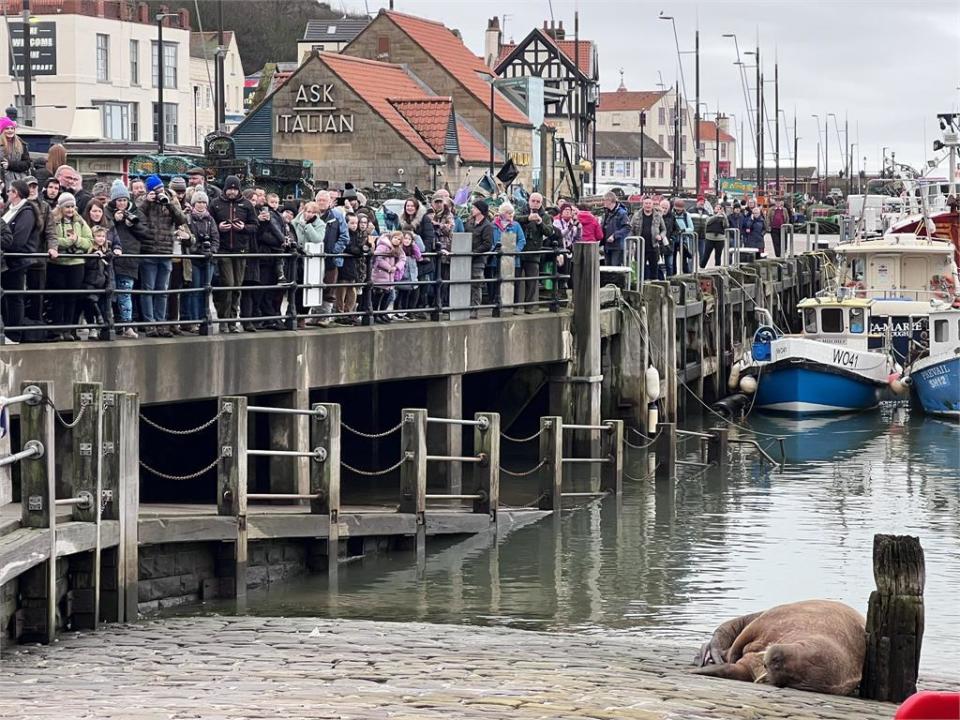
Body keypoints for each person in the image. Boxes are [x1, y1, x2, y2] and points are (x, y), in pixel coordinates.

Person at [136, 174, 188, 337]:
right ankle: (150, 324)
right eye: (155, 190)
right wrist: (147, 202)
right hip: (149, 251)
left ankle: (162, 323)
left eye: (160, 189)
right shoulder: (143, 201)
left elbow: (182, 219)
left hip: (166, 251)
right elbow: (138, 219)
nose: (159, 192)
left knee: (163, 290)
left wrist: (171, 204)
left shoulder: (170, 199)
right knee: (148, 289)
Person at [210, 175, 257, 332]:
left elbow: (254, 226)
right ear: (225, 189)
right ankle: (224, 320)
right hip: (224, 250)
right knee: (228, 285)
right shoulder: (216, 204)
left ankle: (232, 320)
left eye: (234, 189)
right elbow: (209, 225)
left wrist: (243, 227)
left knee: (237, 286)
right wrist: (218, 227)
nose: (232, 192)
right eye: (229, 189)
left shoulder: (247, 205)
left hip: (241, 250)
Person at [47, 193, 93, 341]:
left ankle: (69, 330)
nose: (70, 209)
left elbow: (89, 241)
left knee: (72, 298)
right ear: (61, 207)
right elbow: (52, 239)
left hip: (76, 264)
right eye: (67, 206)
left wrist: (77, 241)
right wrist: (68, 242)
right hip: (58, 264)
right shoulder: (53, 221)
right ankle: (57, 330)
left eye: (72, 206)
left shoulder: (80, 221)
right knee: (58, 297)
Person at [106, 179, 147, 338]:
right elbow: (100, 230)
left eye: (124, 200)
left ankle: (127, 324)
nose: (122, 203)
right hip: (112, 259)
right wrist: (114, 222)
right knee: (112, 294)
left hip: (129, 259)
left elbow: (145, 233)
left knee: (126, 293)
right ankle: (114, 324)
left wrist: (133, 225)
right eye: (119, 200)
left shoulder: (137, 213)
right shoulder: (106, 212)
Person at [0, 180, 37, 341]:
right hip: (8, 260)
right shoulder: (10, 210)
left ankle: (14, 334)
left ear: (16, 193)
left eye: (10, 191)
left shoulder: (26, 212)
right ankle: (6, 330)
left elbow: (19, 239)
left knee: (15, 297)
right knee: (6, 296)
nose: (7, 194)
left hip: (18, 260)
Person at [515, 192, 557, 313]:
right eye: (533, 201)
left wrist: (539, 223)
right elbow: (514, 218)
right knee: (516, 280)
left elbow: (549, 231)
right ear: (529, 201)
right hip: (519, 250)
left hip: (534, 252)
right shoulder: (522, 210)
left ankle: (530, 307)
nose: (535, 203)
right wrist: (527, 219)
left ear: (541, 203)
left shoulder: (545, 216)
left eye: (538, 202)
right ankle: (516, 306)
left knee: (532, 281)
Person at [183, 191, 219, 333]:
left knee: (206, 290)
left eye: (203, 202)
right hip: (194, 258)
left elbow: (216, 237)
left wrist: (213, 250)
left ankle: (205, 318)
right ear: (193, 204)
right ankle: (194, 320)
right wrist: (197, 249)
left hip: (208, 258)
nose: (201, 205)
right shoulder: (189, 219)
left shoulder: (210, 220)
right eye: (198, 202)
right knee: (195, 290)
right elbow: (189, 239)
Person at [24, 176, 56, 327]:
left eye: (34, 187)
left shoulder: (45, 207)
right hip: (19, 256)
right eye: (29, 186)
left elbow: (50, 231)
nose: (32, 190)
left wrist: (52, 247)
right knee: (18, 294)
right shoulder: (16, 204)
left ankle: (36, 326)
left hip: (38, 256)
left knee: (38, 294)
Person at [314, 190, 347, 326]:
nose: (322, 203)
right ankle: (314, 314)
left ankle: (325, 315)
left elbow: (344, 237)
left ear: (330, 202)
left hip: (330, 258)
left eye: (324, 200)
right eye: (319, 200)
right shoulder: (310, 212)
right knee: (313, 286)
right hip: (313, 257)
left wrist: (334, 251)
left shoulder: (337, 216)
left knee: (329, 287)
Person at [398, 197, 435, 314]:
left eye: (412, 206)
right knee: (406, 283)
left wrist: (422, 253)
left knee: (420, 284)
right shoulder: (402, 220)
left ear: (416, 208)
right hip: (406, 257)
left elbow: (429, 237)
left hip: (420, 257)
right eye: (407, 206)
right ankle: (404, 309)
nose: (409, 208)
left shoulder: (424, 219)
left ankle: (419, 309)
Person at [291, 201, 325, 328]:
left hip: (311, 260)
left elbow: (317, 239)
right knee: (296, 286)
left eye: (312, 212)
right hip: (297, 258)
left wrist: (308, 226)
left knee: (308, 288)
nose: (309, 214)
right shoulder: (295, 222)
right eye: (307, 211)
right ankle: (293, 313)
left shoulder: (320, 224)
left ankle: (303, 315)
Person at [80, 225, 116, 340]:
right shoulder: (89, 250)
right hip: (89, 282)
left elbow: (109, 269)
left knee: (103, 304)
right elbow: (87, 266)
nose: (101, 239)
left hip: (102, 282)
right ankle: (93, 326)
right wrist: (95, 257)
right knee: (90, 302)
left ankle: (101, 326)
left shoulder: (106, 251)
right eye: (98, 236)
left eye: (103, 236)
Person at [491, 202, 526, 313]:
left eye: (512, 212)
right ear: (502, 213)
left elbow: (522, 240)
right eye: (508, 212)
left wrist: (516, 251)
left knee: (512, 282)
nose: (511, 215)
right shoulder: (493, 225)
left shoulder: (515, 225)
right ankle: (496, 305)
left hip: (512, 260)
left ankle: (511, 306)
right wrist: (494, 249)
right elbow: (490, 240)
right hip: (496, 259)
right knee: (496, 282)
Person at [629, 196, 667, 280]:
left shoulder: (658, 216)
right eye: (646, 203)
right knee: (639, 271)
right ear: (643, 204)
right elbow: (631, 229)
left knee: (654, 271)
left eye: (649, 203)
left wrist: (660, 236)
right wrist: (632, 240)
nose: (648, 205)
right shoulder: (636, 216)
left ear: (652, 204)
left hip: (653, 247)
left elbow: (664, 230)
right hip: (640, 247)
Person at [370, 231, 404, 323]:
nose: (397, 240)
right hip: (380, 274)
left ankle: (382, 313)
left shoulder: (398, 249)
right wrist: (389, 267)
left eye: (399, 239)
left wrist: (396, 267)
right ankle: (375, 314)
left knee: (386, 295)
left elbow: (402, 258)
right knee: (378, 295)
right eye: (395, 238)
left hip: (390, 276)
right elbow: (377, 258)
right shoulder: (383, 245)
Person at [468, 200, 493, 317]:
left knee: (475, 284)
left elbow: (487, 244)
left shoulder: (487, 225)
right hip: (466, 258)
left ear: (480, 210)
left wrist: (474, 252)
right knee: (466, 283)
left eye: (474, 208)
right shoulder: (469, 223)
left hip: (478, 259)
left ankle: (475, 308)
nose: (472, 209)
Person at [395, 230, 423, 318]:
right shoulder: (399, 249)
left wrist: (414, 245)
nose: (407, 241)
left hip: (412, 275)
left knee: (413, 293)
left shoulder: (412, 249)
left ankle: (409, 311)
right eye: (405, 238)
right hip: (402, 276)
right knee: (401, 294)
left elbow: (419, 256)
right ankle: (398, 312)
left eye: (409, 239)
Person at [664, 198, 695, 275]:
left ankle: (686, 273)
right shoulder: (671, 215)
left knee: (684, 258)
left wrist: (684, 230)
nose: (678, 211)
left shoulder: (686, 215)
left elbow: (691, 228)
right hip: (674, 239)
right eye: (676, 209)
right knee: (673, 258)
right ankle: (673, 274)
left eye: (679, 209)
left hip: (683, 240)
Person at [601, 191, 630, 265]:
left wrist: (614, 235)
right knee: (607, 268)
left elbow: (627, 227)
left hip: (617, 246)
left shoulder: (622, 213)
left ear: (609, 200)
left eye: (604, 200)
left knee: (615, 268)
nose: (603, 202)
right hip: (607, 245)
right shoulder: (606, 213)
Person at [0, 117, 32, 185]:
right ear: (2, 131)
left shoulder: (21, 144)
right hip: (3, 181)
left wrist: (10, 165)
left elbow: (27, 163)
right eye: (7, 128)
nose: (10, 130)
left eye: (12, 128)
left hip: (20, 180)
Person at [701, 204, 729, 268]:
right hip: (709, 239)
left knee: (718, 257)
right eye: (717, 207)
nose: (718, 209)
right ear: (714, 209)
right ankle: (701, 268)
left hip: (720, 239)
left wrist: (724, 216)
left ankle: (717, 270)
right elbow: (708, 222)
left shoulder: (723, 217)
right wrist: (717, 215)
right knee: (706, 256)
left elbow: (726, 226)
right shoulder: (710, 215)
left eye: (720, 208)